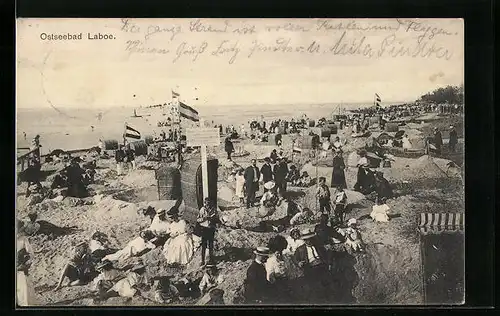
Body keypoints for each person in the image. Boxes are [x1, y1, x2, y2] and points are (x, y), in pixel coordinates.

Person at [293, 229, 332, 303]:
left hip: (322, 266)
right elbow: (295, 259)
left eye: (310, 239)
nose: (309, 241)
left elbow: (326, 255)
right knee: (314, 285)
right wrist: (299, 263)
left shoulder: (318, 246)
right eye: (307, 240)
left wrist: (328, 263)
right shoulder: (300, 249)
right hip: (310, 268)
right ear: (304, 240)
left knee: (326, 283)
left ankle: (327, 299)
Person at [17, 220, 38, 306]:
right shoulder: (22, 239)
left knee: (23, 288)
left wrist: (27, 264)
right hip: (18, 267)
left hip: (21, 267)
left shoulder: (23, 239)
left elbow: (31, 254)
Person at [265, 235, 289, 303]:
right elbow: (270, 276)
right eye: (277, 253)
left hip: (286, 282)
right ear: (274, 252)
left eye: (281, 252)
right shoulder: (271, 261)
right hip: (277, 284)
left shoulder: (284, 258)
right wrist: (277, 285)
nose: (279, 254)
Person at [197, 198, 219, 266]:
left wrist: (213, 219)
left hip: (211, 229)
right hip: (204, 228)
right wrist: (204, 218)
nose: (208, 205)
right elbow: (198, 219)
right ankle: (203, 260)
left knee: (211, 245)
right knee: (204, 245)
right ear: (205, 203)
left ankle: (211, 259)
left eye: (209, 203)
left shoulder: (214, 210)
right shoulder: (202, 210)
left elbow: (217, 219)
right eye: (206, 203)